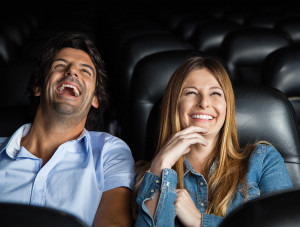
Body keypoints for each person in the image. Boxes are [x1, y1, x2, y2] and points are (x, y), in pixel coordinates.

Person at [132, 56, 293, 227]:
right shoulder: (146, 176)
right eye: (191, 93)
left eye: (215, 93)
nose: (204, 103)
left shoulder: (262, 160)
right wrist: (161, 166)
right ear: (175, 104)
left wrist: (201, 221)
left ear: (227, 106)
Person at [0, 32, 135, 227]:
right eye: (60, 66)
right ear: (38, 86)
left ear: (95, 99)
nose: (72, 72)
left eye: (85, 71)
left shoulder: (110, 152)